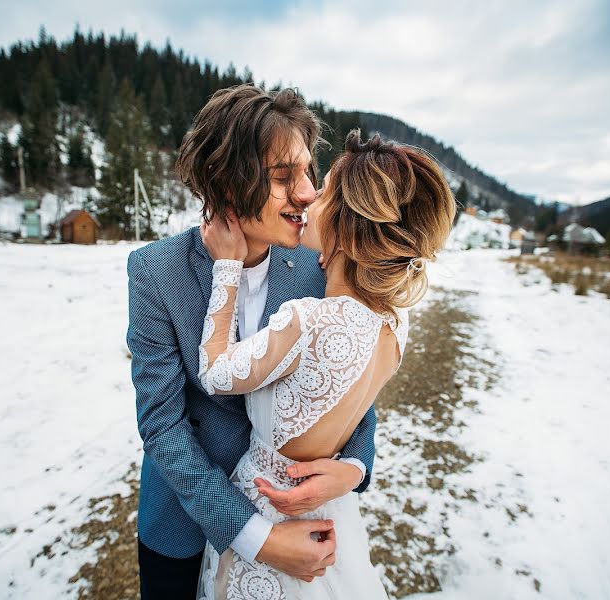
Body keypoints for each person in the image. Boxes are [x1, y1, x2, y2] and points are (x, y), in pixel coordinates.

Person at [127, 85, 377, 599]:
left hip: (290, 510)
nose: (306, 193)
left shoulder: (316, 267)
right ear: (226, 181)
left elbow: (352, 381)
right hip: (183, 523)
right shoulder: (155, 271)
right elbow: (162, 424)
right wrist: (256, 538)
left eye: (308, 173)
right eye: (284, 178)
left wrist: (353, 467)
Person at [195, 129, 456, 599]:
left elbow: (215, 372)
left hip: (271, 512)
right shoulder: (394, 325)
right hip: (329, 518)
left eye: (326, 190)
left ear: (348, 228)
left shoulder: (308, 320)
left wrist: (227, 269)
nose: (311, 195)